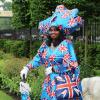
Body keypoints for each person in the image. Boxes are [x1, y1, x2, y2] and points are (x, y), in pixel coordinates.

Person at [20, 5, 83, 100]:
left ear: (60, 31)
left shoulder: (66, 44)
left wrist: (55, 69)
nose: (53, 32)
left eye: (56, 30)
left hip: (63, 84)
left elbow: (72, 64)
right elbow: (37, 59)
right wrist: (27, 68)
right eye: (51, 30)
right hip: (49, 85)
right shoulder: (45, 45)